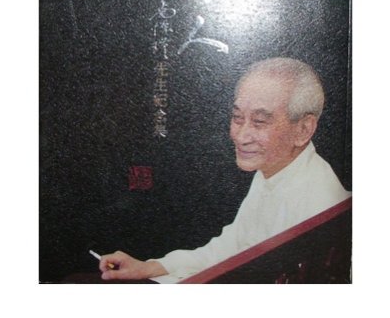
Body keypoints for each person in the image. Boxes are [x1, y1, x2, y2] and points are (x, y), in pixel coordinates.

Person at [99, 57, 351, 282]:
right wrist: (149, 267)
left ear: (304, 129)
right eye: (237, 118)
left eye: (259, 122)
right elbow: (229, 247)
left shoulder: (317, 205)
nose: (241, 136)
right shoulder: (276, 169)